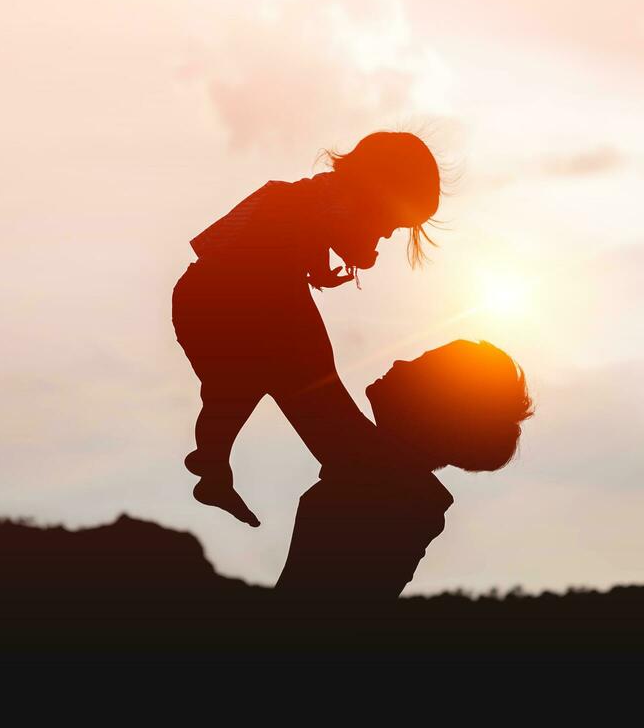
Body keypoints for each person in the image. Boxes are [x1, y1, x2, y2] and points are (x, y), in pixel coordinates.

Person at [171, 131, 442, 527]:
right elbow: (341, 241)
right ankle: (213, 459)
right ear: (374, 194)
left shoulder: (312, 201)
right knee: (264, 379)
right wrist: (350, 256)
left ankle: (212, 462)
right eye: (391, 225)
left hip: (225, 302)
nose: (385, 234)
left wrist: (319, 268)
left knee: (239, 385)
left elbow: (306, 234)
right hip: (227, 303)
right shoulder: (318, 205)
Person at [276, 339, 533, 601]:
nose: (400, 363)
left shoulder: (386, 478)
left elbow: (285, 354)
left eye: (421, 365)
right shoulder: (401, 485)